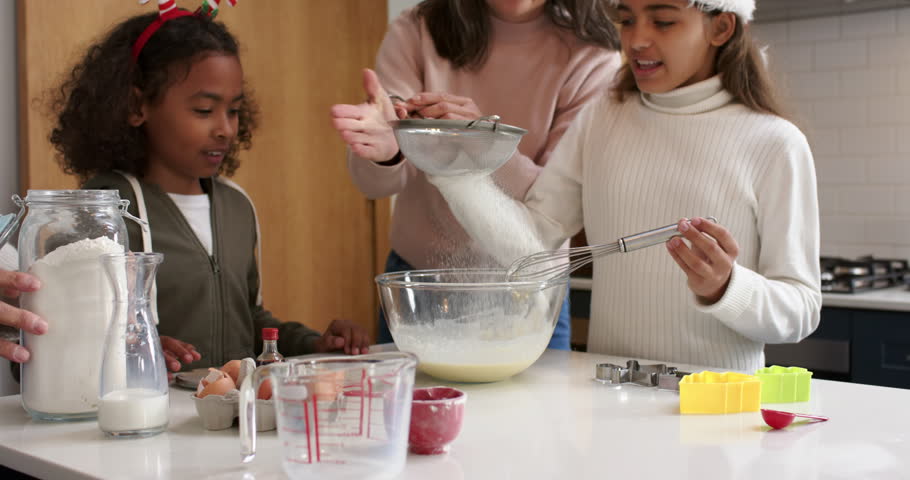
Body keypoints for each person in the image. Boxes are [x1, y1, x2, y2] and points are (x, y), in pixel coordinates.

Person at [430, 0, 821, 371]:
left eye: (663, 21)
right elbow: (532, 245)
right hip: (612, 407)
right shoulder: (600, 120)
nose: (636, 40)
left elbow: (801, 310)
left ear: (721, 26)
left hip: (720, 416)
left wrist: (726, 287)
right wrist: (448, 169)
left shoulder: (776, 144)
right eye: (626, 19)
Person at [48, 2, 370, 373]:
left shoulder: (237, 206)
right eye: (204, 110)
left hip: (227, 423)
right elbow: (60, 339)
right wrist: (138, 352)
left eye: (233, 110)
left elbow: (247, 321)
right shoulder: (102, 212)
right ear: (137, 105)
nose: (225, 129)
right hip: (152, 422)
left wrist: (315, 344)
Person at [331, 0, 622, 349]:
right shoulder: (420, 29)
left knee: (537, 404)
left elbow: (554, 206)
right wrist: (390, 151)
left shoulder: (593, 54)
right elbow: (372, 184)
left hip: (531, 285)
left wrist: (486, 144)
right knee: (418, 404)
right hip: (422, 281)